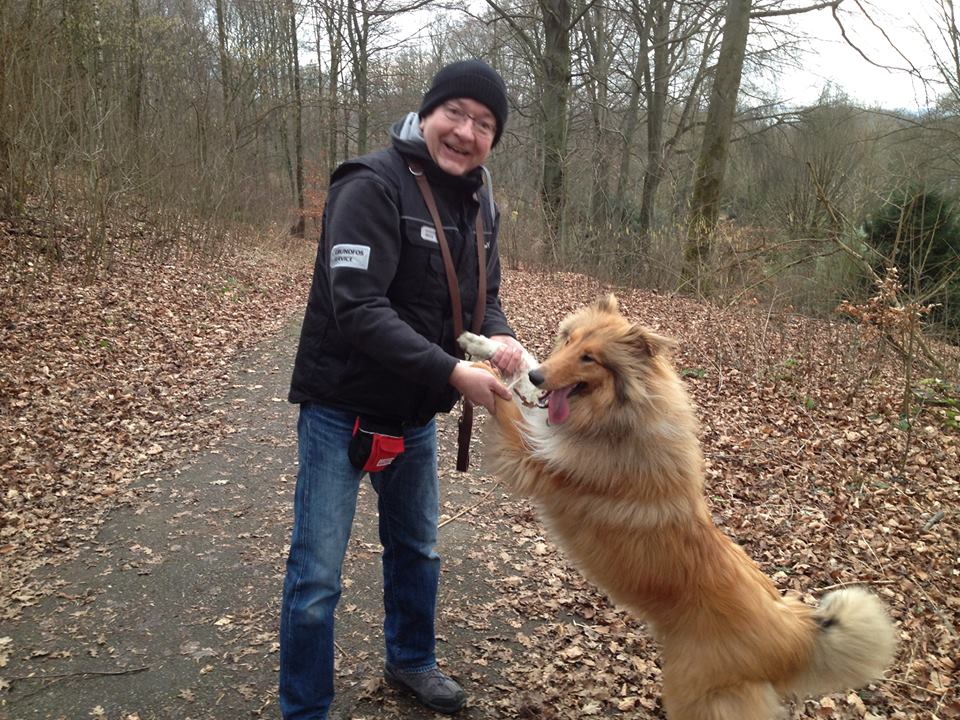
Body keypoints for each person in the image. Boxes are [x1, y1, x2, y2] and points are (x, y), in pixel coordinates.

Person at [280, 59, 524, 720]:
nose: (466, 132)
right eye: (456, 113)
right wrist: (452, 372)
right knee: (316, 577)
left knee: (418, 550)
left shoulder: (481, 203)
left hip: (413, 413)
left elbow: (485, 298)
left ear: (493, 139)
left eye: (484, 123)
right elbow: (357, 309)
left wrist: (499, 339)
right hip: (340, 408)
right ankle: (305, 709)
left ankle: (411, 660)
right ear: (427, 112)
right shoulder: (370, 184)